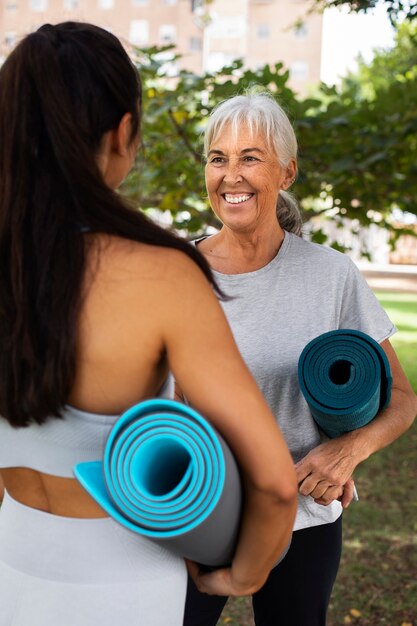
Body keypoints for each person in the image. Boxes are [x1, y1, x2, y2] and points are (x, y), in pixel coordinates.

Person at [0, 26, 298, 626]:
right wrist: (244, 574)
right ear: (124, 132)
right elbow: (275, 485)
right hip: (124, 581)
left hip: (12, 559)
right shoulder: (163, 275)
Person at [182, 91, 417, 626]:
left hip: (302, 518)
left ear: (286, 172)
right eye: (218, 158)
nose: (230, 175)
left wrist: (346, 452)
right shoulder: (177, 270)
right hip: (192, 511)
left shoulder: (329, 274)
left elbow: (402, 399)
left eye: (250, 157)